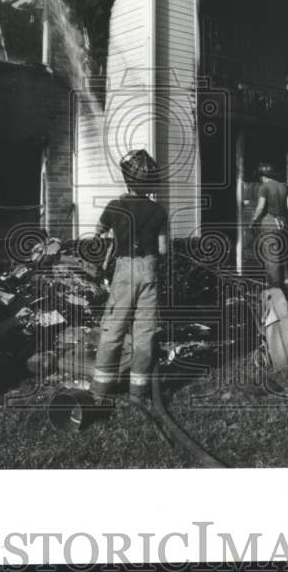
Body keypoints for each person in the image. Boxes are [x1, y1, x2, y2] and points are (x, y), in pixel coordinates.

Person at [90, 149, 168, 403]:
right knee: (145, 331)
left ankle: (101, 390)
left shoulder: (115, 206)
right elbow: (164, 249)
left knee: (114, 328)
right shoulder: (159, 211)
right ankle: (139, 391)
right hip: (149, 268)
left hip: (124, 270)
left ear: (127, 179)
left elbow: (98, 233)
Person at [249, 162, 288, 289]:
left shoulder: (264, 187)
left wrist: (253, 221)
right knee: (282, 251)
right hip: (283, 223)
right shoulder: (284, 187)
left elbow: (260, 207)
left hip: (269, 221)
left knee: (271, 255)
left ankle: (275, 286)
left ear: (262, 176)